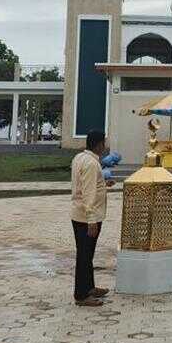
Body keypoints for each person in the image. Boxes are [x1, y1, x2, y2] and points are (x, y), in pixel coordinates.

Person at [70, 130, 114, 306]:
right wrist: (91, 220)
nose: (105, 147)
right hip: (86, 217)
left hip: (79, 213)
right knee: (84, 255)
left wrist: (104, 184)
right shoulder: (91, 164)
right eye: (104, 143)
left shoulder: (80, 158)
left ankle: (89, 287)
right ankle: (81, 295)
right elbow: (88, 193)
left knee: (87, 254)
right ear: (99, 144)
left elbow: (85, 185)